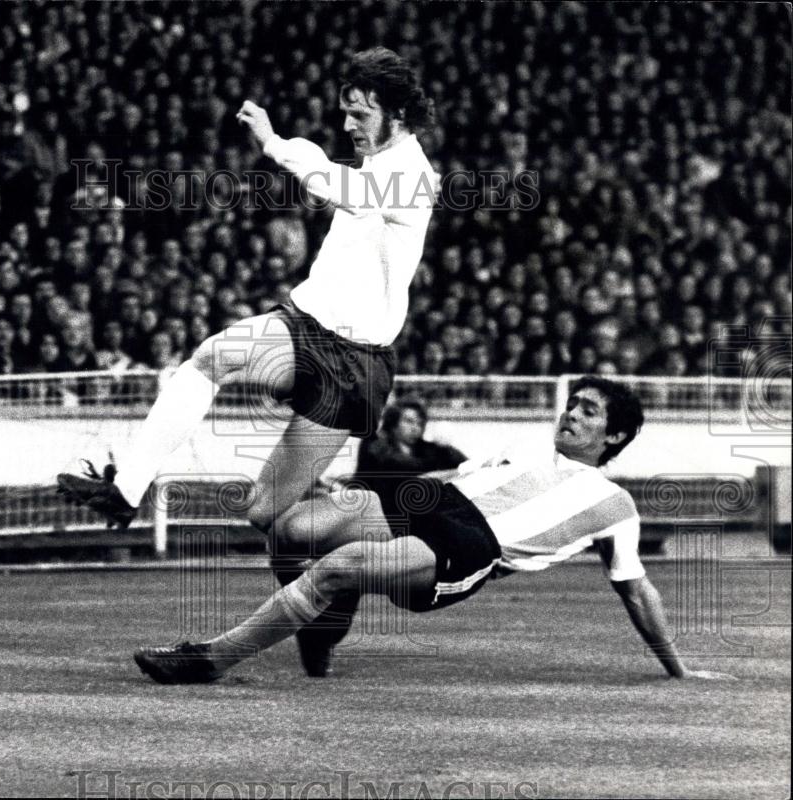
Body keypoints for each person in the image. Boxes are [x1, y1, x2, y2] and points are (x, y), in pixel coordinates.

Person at [57, 48, 439, 667]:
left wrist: (272, 144)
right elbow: (324, 165)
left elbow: (327, 180)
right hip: (305, 327)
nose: (348, 125)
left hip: (356, 363)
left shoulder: (413, 177)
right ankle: (127, 490)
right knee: (211, 358)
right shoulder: (372, 166)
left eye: (360, 113)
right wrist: (283, 141)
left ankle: (329, 600)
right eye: (344, 113)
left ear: (396, 112)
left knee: (272, 517)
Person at [134, 377, 736, 683]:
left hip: (470, 547)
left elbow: (636, 590)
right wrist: (362, 490)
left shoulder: (615, 505)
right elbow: (455, 473)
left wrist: (676, 667)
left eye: (588, 411)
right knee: (292, 528)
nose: (571, 414)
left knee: (338, 569)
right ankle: (324, 624)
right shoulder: (523, 448)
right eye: (573, 403)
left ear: (615, 438)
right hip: (431, 503)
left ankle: (211, 659)